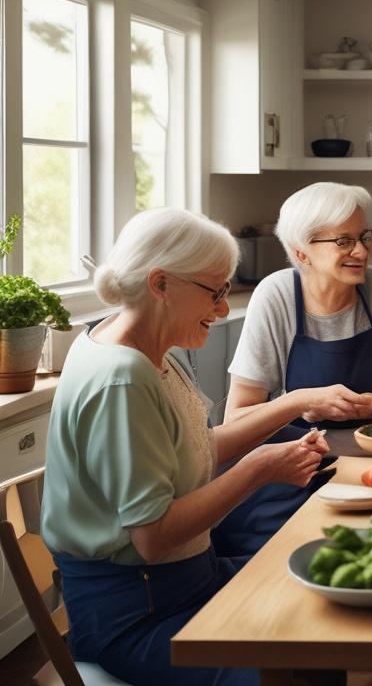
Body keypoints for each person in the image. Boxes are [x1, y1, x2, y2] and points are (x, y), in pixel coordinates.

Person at [40, 208, 347, 686]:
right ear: (160, 283)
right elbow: (153, 535)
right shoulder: (122, 379)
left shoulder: (142, 347)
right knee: (286, 659)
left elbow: (198, 448)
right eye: (216, 291)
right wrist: (258, 470)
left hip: (187, 583)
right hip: (137, 616)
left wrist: (295, 402)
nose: (224, 308)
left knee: (323, 608)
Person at [214, 182, 372, 559]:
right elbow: (236, 417)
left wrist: (370, 404)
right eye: (343, 241)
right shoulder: (275, 296)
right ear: (301, 253)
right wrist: (298, 403)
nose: (362, 251)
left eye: (364, 237)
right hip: (295, 468)